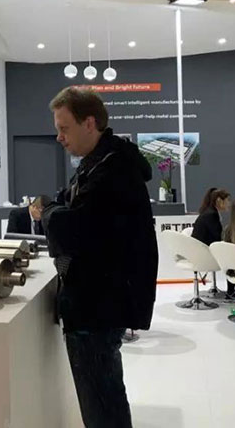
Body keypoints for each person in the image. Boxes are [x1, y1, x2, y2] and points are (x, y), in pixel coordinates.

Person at [42, 87, 157, 428]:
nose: (59, 137)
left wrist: (47, 212)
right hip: (98, 301)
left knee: (101, 404)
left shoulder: (113, 170)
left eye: (64, 128)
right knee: (103, 398)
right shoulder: (100, 164)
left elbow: (71, 228)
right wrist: (56, 210)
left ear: (89, 123)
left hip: (97, 305)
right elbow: (66, 206)